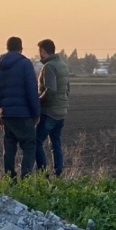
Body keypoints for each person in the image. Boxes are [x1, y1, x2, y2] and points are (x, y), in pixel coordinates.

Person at [0, 37, 40, 178]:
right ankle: (26, 178)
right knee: (29, 146)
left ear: (7, 47)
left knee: (9, 148)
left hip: (5, 114)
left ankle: (9, 179)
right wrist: (36, 114)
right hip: (24, 114)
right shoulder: (25, 63)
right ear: (21, 48)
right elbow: (32, 90)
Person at [35, 39, 70, 177]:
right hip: (61, 112)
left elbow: (50, 90)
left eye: (39, 51)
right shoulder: (63, 65)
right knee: (55, 143)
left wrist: (38, 101)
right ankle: (58, 173)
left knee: (37, 142)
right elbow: (68, 88)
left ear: (43, 51)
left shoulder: (49, 67)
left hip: (49, 112)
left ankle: (43, 175)